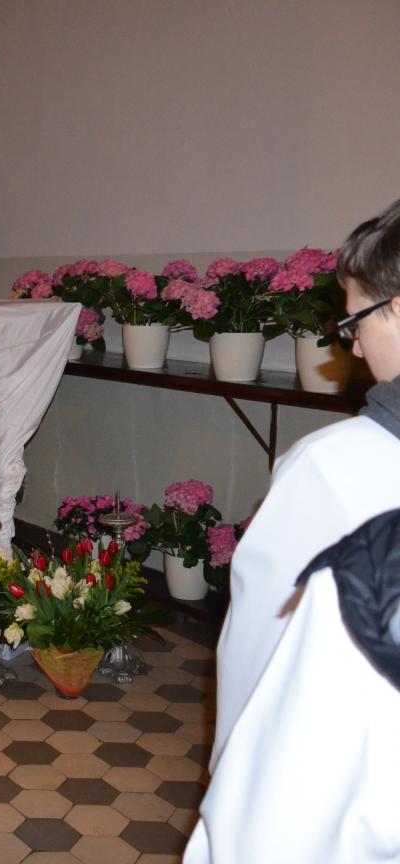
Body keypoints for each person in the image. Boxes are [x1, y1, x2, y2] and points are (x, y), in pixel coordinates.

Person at [185, 199, 400, 863]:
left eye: (357, 320)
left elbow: (260, 649)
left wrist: (227, 780)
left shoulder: (331, 467)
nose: (353, 344)